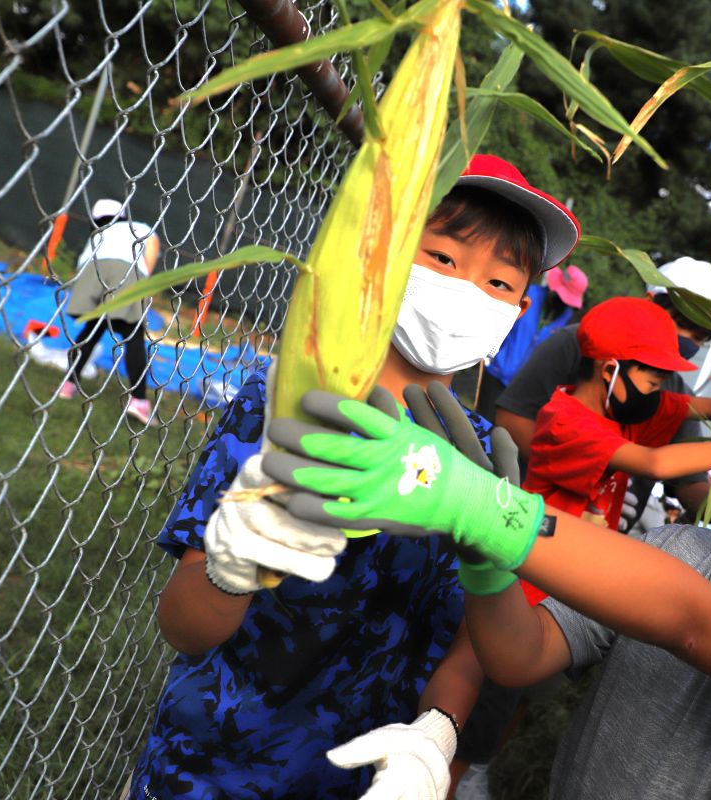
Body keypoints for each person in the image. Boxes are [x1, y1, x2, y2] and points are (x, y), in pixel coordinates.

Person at [262, 331, 711, 799]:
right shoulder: (677, 548)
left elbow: (693, 619)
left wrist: (486, 508)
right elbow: (522, 654)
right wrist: (488, 564)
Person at [126, 153, 580, 799]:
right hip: (207, 770)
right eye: (443, 258)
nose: (467, 292)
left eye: (499, 282)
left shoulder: (480, 458)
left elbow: (467, 644)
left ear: (520, 308)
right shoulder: (285, 403)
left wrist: (435, 739)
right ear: (384, 256)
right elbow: (184, 624)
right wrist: (232, 570)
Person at [493, 256, 711, 525]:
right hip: (529, 516)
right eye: (681, 324)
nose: (686, 339)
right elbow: (512, 418)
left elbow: (689, 482)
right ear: (650, 302)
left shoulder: (676, 391)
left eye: (699, 336)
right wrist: (585, 475)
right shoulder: (578, 344)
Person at [523, 295, 711, 536]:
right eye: (653, 384)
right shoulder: (565, 423)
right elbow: (655, 463)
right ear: (610, 370)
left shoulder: (620, 411)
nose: (657, 394)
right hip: (541, 548)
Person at [60, 198, 160, 424]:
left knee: (92, 329)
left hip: (93, 270)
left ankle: (68, 384)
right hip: (127, 271)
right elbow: (152, 243)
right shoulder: (137, 227)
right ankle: (138, 401)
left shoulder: (98, 235)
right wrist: (145, 277)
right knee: (133, 335)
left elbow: (81, 264)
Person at [475, 263, 587, 422]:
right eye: (559, 297)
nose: (561, 302)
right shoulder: (528, 295)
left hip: (521, 389)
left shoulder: (567, 321)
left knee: (500, 432)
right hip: (496, 372)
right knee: (478, 421)